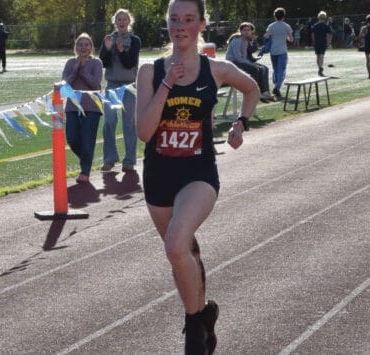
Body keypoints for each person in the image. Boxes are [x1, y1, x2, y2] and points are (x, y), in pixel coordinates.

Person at [135, 0, 259, 353]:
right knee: (182, 253)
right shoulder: (151, 71)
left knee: (175, 243)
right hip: (159, 174)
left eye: (189, 19)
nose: (180, 25)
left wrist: (241, 122)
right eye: (174, 19)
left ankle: (194, 332)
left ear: (202, 24)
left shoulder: (216, 70)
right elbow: (144, 132)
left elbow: (251, 88)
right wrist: (166, 86)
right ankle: (203, 317)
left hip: (199, 172)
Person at [99, 8, 140, 173]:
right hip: (112, 86)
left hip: (129, 86)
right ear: (114, 22)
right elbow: (104, 63)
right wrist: (108, 49)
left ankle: (129, 160)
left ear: (129, 22)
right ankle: (109, 159)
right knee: (109, 122)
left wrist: (122, 50)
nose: (121, 22)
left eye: (124, 19)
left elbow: (130, 63)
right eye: (118, 20)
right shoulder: (108, 39)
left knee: (129, 123)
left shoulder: (135, 40)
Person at [61, 33, 103, 183]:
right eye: (80, 44)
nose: (83, 47)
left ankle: (85, 170)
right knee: (72, 139)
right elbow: (64, 84)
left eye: (86, 44)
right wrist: (75, 70)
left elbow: (96, 85)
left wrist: (84, 70)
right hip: (72, 106)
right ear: (76, 47)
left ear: (91, 47)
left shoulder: (96, 63)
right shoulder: (70, 62)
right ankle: (86, 158)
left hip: (92, 107)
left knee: (87, 140)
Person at [225, 22, 273, 102]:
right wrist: (251, 64)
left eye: (248, 30)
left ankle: (264, 93)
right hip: (232, 62)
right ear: (240, 31)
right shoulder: (237, 40)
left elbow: (243, 57)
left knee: (261, 69)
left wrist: (251, 63)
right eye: (244, 30)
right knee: (254, 69)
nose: (247, 32)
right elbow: (237, 58)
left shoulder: (245, 41)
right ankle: (255, 92)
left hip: (239, 61)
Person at [264, 7, 293, 100]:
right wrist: (285, 38)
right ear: (283, 16)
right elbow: (291, 39)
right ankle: (277, 87)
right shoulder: (286, 26)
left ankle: (276, 83)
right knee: (282, 69)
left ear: (274, 16)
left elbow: (266, 36)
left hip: (273, 51)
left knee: (275, 68)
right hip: (282, 51)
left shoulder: (271, 26)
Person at [311, 11, 333, 77]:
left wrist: (314, 41)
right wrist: (329, 42)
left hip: (317, 42)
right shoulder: (326, 26)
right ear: (325, 17)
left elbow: (312, 35)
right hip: (323, 42)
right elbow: (330, 34)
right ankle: (320, 68)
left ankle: (319, 68)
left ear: (318, 17)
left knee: (318, 56)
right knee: (321, 55)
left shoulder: (315, 25)